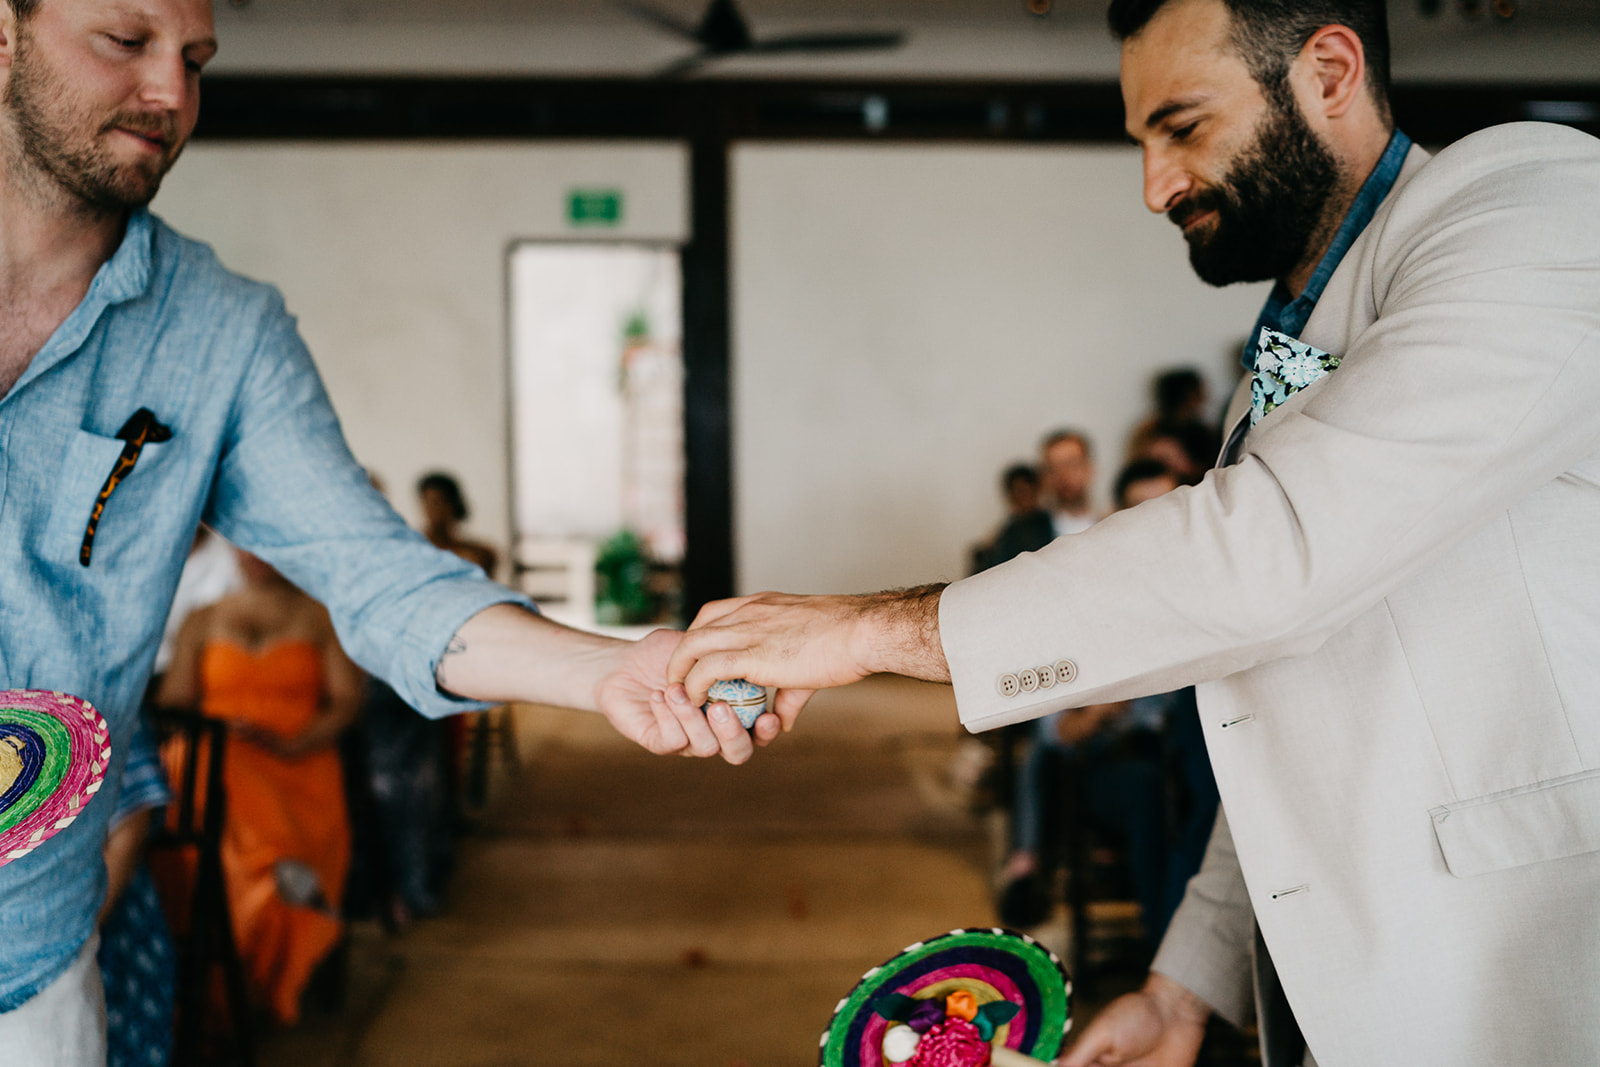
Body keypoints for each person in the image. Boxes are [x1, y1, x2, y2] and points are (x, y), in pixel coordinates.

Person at [659, 0, 1600, 1063]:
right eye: (1142, 142)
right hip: (1333, 982)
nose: (1154, 186)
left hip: (1517, 967)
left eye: (1183, 126)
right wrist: (1188, 976)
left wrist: (866, 630)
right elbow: (1296, 688)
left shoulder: (1535, 203)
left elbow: (1267, 555)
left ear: (1330, 72)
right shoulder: (1286, 348)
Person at [0, 1, 755, 1056]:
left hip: (29, 964)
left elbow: (378, 574)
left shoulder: (218, 329)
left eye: (196, 58)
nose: (172, 94)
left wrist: (605, 669)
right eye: (126, 43)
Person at [157, 550, 363, 1025]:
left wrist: (293, 744)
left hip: (297, 763)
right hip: (215, 759)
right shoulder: (203, 618)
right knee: (191, 764)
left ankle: (273, 890)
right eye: (244, 545)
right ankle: (245, 894)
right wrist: (219, 724)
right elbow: (174, 702)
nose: (255, 556)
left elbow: (347, 702)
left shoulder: (321, 616)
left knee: (200, 774)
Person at [417, 471, 497, 578]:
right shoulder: (415, 548)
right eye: (427, 503)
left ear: (452, 506)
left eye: (437, 503)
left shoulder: (481, 554)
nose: (431, 510)